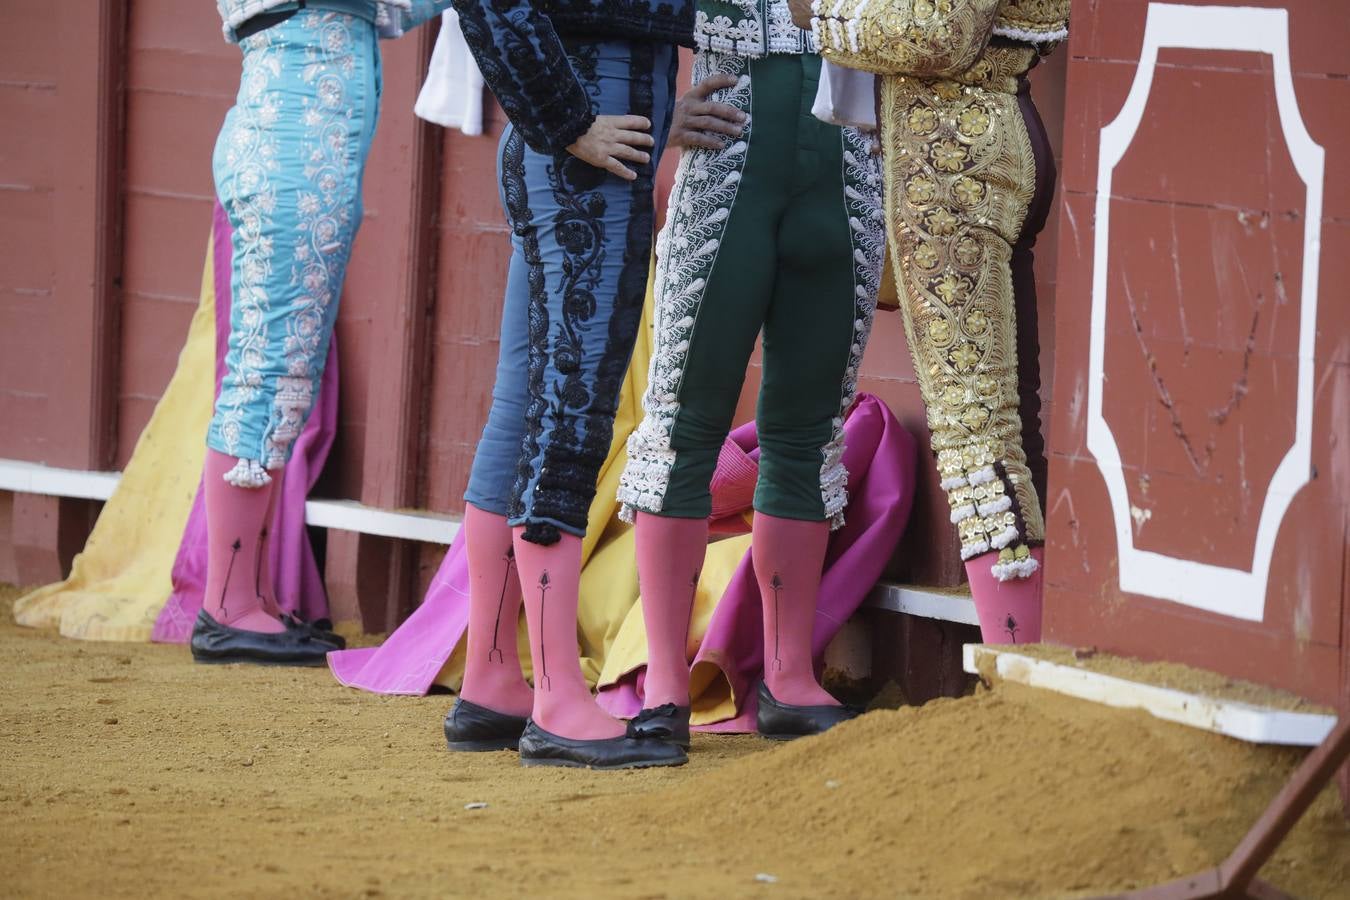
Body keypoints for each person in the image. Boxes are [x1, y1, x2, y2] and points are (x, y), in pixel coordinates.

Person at [614, 0, 886, 745]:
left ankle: (788, 676)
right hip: (726, 151)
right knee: (683, 421)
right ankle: (666, 683)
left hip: (851, 165)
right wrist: (645, 110)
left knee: (808, 426)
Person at [440, 0, 695, 768]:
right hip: (586, 166)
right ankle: (556, 699)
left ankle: (491, 677)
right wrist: (570, 120)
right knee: (570, 413)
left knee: (528, 410)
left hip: (581, 151)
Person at [795, 0, 1069, 642]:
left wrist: (824, 14)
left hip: (952, 157)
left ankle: (1015, 657)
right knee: (1006, 422)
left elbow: (941, 31)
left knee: (975, 427)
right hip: (990, 126)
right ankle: (1029, 649)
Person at [192, 0, 455, 666]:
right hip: (291, 144)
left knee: (286, 373)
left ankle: (248, 595)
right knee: (266, 370)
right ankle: (226, 607)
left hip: (304, 144)